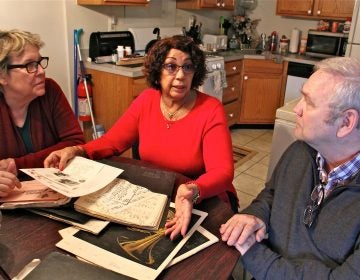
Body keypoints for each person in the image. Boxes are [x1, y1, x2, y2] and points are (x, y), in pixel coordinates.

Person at [44, 35, 238, 239]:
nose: (181, 75)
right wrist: (78, 150)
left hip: (203, 198)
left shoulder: (210, 109)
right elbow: (113, 141)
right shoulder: (147, 100)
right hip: (159, 193)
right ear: (158, 70)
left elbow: (223, 171)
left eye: (188, 67)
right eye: (171, 66)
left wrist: (193, 190)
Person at [220, 56, 360, 279]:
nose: (297, 109)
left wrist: (253, 253)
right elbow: (272, 195)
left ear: (346, 122)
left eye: (309, 102)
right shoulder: (300, 151)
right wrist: (256, 216)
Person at [0, 29, 84, 197]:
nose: (41, 71)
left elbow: (75, 142)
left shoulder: (50, 90)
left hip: (56, 193)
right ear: (2, 75)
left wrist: (18, 165)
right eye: (30, 65)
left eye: (39, 62)